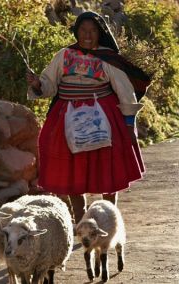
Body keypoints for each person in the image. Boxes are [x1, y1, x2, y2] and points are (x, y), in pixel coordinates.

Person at [26, 11, 151, 224]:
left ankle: (109, 218)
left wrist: (129, 123)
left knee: (106, 167)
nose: (87, 35)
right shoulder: (64, 55)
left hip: (103, 114)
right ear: (76, 32)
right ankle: (80, 219)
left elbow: (124, 90)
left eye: (92, 31)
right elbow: (49, 84)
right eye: (83, 30)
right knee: (73, 169)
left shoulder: (107, 58)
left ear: (99, 33)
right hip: (67, 116)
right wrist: (38, 84)